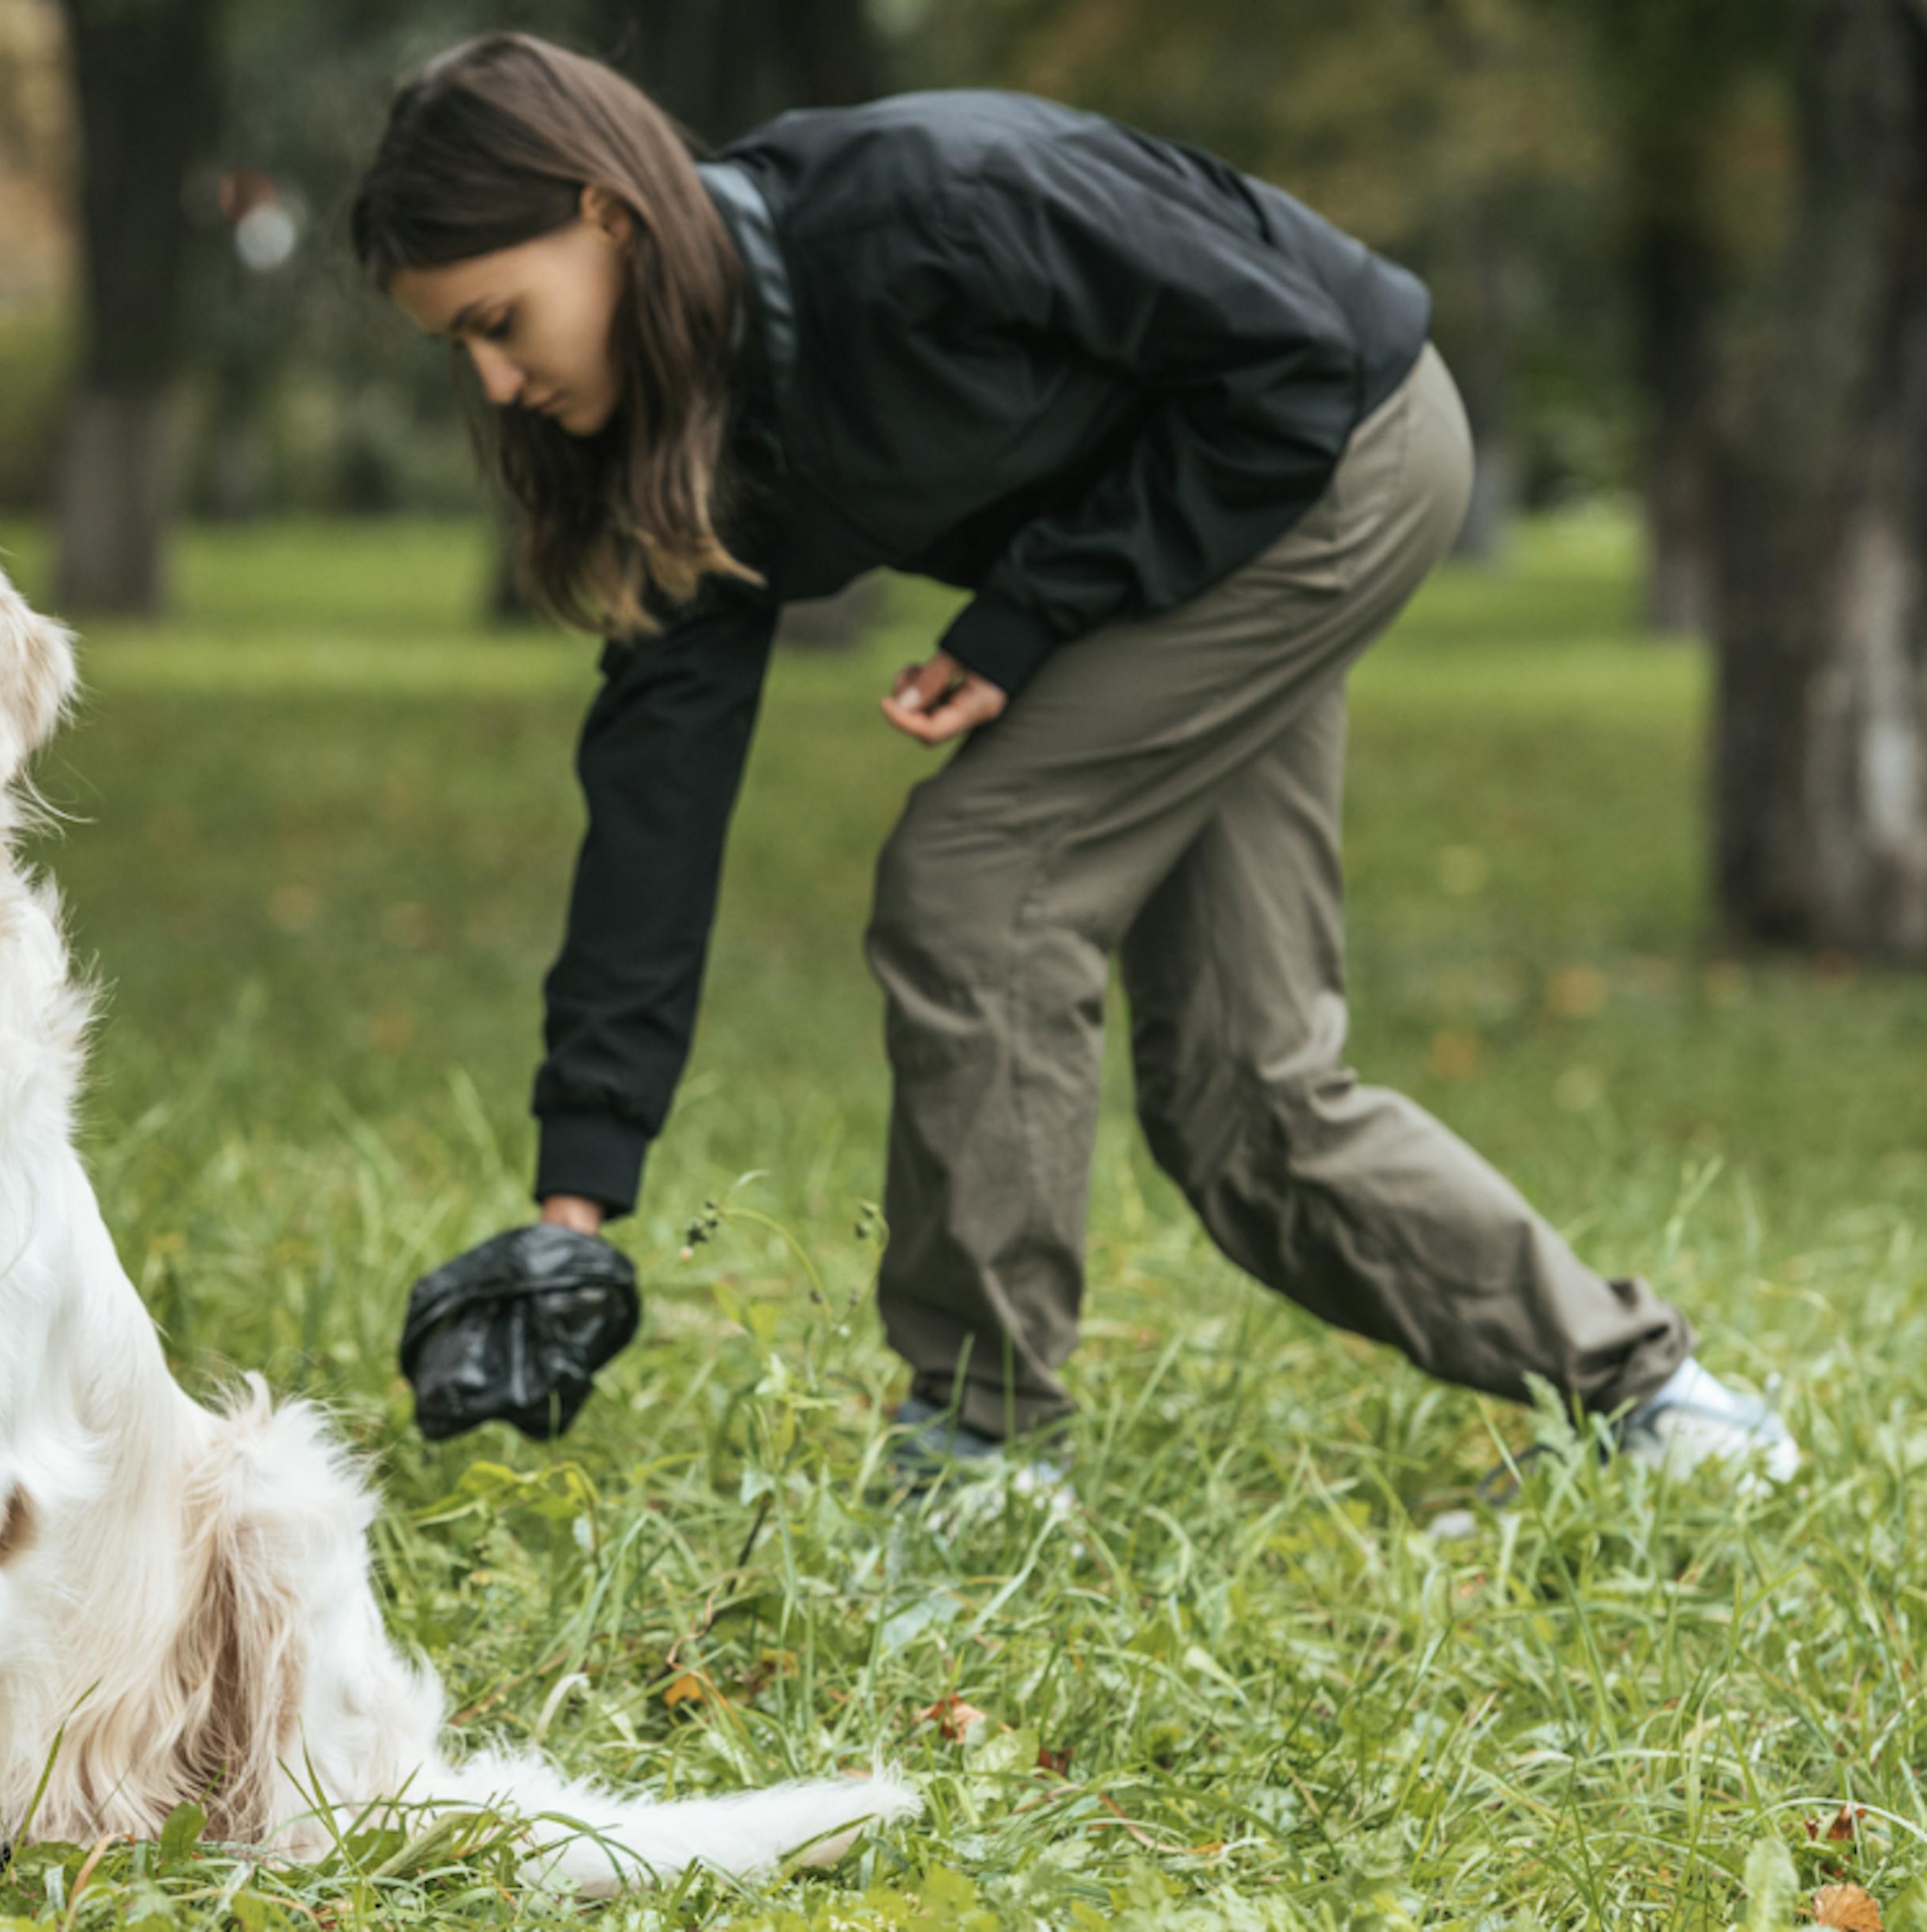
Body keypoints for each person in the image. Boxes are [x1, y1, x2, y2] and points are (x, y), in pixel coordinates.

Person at [347, 32, 1798, 1495]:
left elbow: (1287, 363)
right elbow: (654, 800)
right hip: (1206, 516)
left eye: (499, 319)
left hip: (1336, 450)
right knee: (1249, 1098)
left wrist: (1028, 618)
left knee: (978, 882)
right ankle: (1664, 1405)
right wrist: (572, 1216)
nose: (495, 378)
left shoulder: (928, 208)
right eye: (457, 347)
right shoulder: (694, 432)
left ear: (607, 216)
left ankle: (978, 1451)